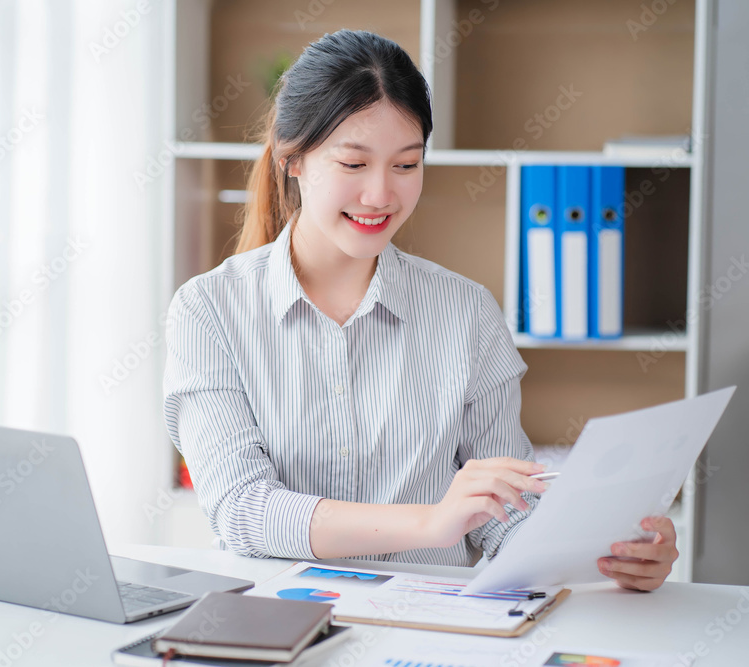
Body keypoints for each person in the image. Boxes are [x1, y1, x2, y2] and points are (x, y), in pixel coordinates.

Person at [163, 29, 678, 591]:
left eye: (406, 166)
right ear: (294, 159)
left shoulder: (467, 312)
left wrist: (610, 553)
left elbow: (507, 515)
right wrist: (430, 522)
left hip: (428, 633)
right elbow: (241, 509)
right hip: (276, 623)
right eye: (353, 164)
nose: (381, 195)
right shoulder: (209, 309)